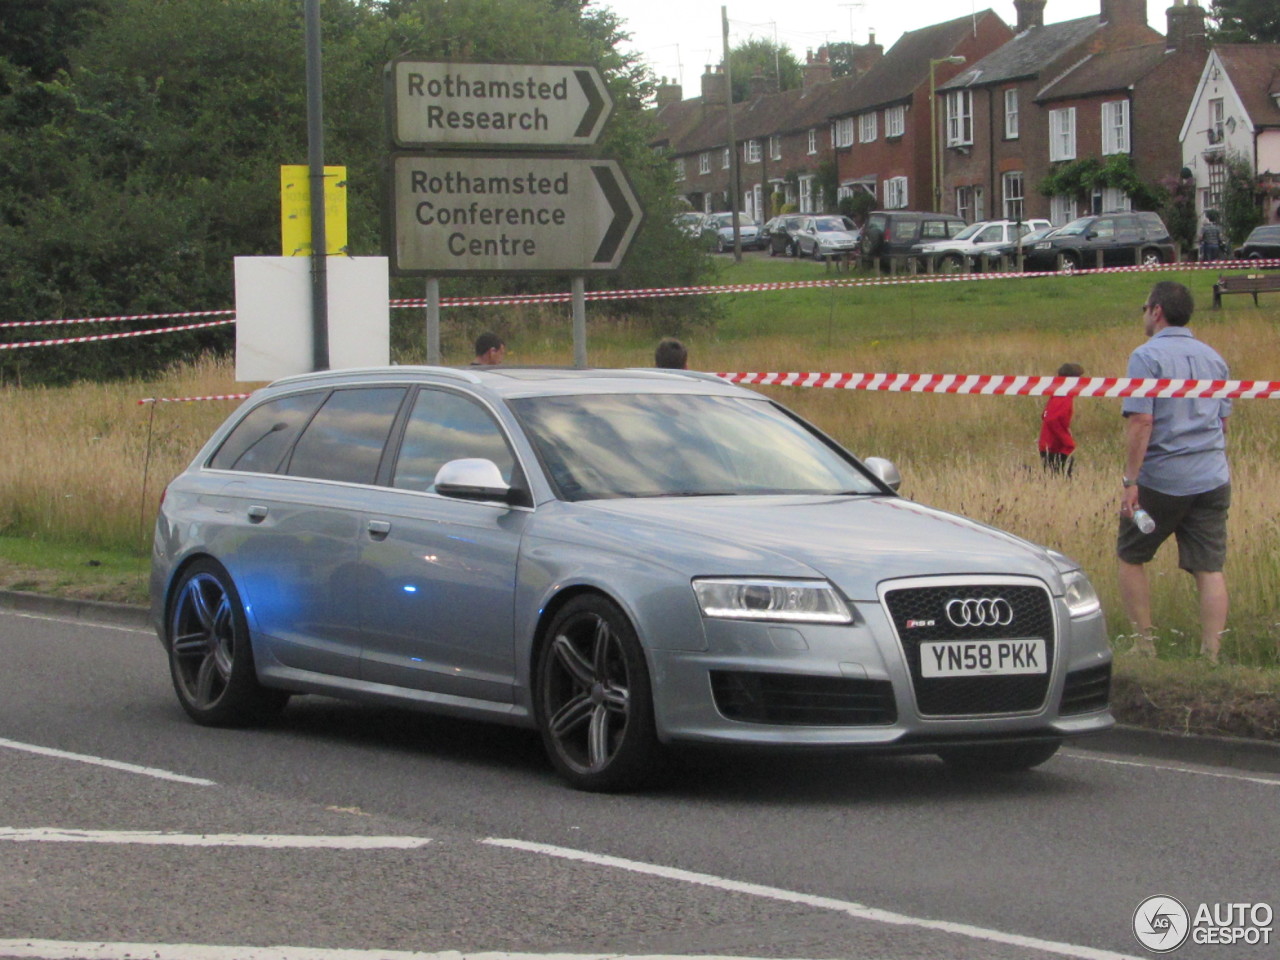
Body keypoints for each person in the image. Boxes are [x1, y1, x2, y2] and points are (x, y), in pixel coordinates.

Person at [1118, 281, 1231, 662]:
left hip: (1164, 479)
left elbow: (1141, 422)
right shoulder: (1214, 359)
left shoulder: (1146, 357)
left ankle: (1144, 644)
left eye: (1145, 307)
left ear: (1157, 312)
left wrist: (1130, 481)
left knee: (1131, 555)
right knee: (1209, 568)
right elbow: (1223, 424)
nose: (1145, 314)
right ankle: (1211, 655)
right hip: (1212, 476)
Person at [1039, 362, 1083, 477]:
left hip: (1049, 443)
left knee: (1053, 477)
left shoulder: (1057, 393)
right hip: (1055, 446)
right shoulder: (1063, 396)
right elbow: (1051, 419)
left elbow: (1045, 415)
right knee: (1058, 477)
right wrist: (1067, 439)